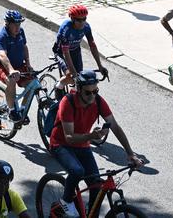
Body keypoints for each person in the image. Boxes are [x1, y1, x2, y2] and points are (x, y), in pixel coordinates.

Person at [48, 71, 144, 217]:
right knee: (77, 171)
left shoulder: (98, 101)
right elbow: (69, 137)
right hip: (61, 145)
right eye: (88, 92)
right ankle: (66, 201)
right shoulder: (67, 102)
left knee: (96, 186)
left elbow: (115, 127)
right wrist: (91, 136)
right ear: (79, 89)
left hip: (82, 145)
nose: (92, 96)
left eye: (95, 91)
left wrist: (130, 154)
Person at [0, 10, 33, 122]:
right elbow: (2, 55)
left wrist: (28, 64)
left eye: (19, 24)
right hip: (1, 67)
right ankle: (12, 111)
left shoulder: (20, 32)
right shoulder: (2, 35)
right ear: (8, 24)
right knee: (11, 81)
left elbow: (24, 47)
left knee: (33, 83)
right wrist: (10, 70)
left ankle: (22, 111)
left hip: (19, 66)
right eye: (15, 24)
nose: (18, 27)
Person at [53, 5, 106, 87]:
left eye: (84, 19)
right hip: (60, 52)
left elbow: (92, 46)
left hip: (75, 50)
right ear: (72, 19)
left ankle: (74, 95)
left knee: (80, 78)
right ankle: (58, 86)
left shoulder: (86, 27)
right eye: (78, 20)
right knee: (70, 76)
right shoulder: (66, 28)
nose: (82, 22)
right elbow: (65, 52)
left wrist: (100, 66)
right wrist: (73, 72)